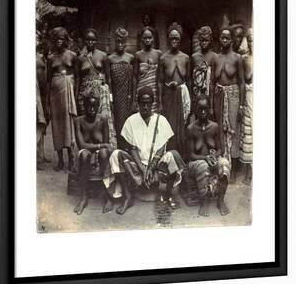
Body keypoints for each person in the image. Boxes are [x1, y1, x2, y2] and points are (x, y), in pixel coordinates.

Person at [105, 87, 186, 215]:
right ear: (138, 103)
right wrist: (143, 169)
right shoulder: (131, 120)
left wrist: (152, 167)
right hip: (136, 166)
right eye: (142, 103)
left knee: (173, 155)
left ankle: (167, 195)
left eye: (148, 103)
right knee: (115, 155)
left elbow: (161, 147)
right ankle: (128, 197)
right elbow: (132, 148)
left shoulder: (161, 120)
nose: (145, 106)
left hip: (157, 165)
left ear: (152, 103)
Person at [186, 95, 231, 217]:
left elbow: (220, 149)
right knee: (202, 166)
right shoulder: (191, 129)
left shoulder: (215, 127)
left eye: (205, 108)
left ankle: (220, 201)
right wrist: (205, 158)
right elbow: (190, 155)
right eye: (200, 109)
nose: (203, 112)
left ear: (209, 109)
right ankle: (204, 202)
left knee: (225, 164)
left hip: (212, 159)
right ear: (196, 110)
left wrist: (214, 157)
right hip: (196, 162)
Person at [211, 27, 244, 183]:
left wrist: (242, 106)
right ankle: (222, 168)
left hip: (233, 95)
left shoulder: (237, 58)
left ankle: (234, 170)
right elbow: (212, 83)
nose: (224, 40)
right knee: (219, 130)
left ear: (231, 40)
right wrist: (211, 104)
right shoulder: (216, 58)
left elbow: (242, 83)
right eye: (222, 37)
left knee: (233, 130)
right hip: (218, 95)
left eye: (227, 38)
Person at [73, 88, 112, 215]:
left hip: (100, 153)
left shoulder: (103, 120)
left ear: (98, 105)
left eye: (94, 106)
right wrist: (100, 145)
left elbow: (106, 147)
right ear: (84, 105)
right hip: (85, 153)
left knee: (104, 153)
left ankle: (108, 196)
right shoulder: (78, 121)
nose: (92, 109)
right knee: (84, 154)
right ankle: (83, 197)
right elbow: (81, 145)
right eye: (89, 106)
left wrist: (100, 148)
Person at [75, 28, 116, 148]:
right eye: (88, 40)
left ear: (96, 41)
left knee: (99, 122)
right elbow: (78, 79)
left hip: (99, 93)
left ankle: (101, 152)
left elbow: (108, 78)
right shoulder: (80, 58)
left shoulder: (103, 56)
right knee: (86, 122)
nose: (90, 42)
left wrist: (110, 97)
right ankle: (86, 153)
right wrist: (76, 96)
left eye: (93, 40)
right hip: (84, 92)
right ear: (84, 41)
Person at [46, 27, 77, 172]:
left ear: (66, 40)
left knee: (68, 125)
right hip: (55, 94)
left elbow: (76, 77)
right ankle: (60, 160)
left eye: (62, 39)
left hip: (68, 94)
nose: (59, 41)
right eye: (57, 39)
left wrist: (75, 95)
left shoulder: (72, 55)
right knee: (57, 126)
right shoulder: (51, 57)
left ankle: (71, 159)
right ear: (54, 40)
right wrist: (47, 101)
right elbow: (48, 79)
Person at [158, 23, 191, 157]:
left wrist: (190, 102)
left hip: (182, 95)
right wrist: (160, 102)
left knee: (182, 129)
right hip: (168, 96)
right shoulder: (163, 58)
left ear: (180, 39)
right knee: (169, 127)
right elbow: (159, 81)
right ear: (168, 39)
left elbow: (189, 81)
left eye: (176, 38)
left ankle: (181, 158)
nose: (174, 41)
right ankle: (168, 158)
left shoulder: (186, 58)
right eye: (171, 38)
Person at [109, 28, 135, 150]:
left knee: (128, 122)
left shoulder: (130, 58)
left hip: (128, 95)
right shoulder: (110, 59)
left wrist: (133, 97)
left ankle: (127, 149)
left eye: (122, 42)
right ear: (115, 41)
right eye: (118, 41)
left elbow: (134, 79)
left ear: (126, 42)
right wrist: (110, 97)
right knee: (117, 122)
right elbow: (109, 80)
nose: (120, 44)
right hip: (116, 94)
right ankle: (118, 148)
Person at [134, 27, 162, 112]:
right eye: (145, 38)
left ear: (153, 38)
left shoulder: (158, 54)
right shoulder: (138, 55)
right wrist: (134, 99)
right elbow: (135, 77)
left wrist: (160, 101)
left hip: (154, 91)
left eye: (149, 38)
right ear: (141, 39)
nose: (147, 40)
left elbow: (160, 79)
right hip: (141, 89)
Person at [190, 26, 216, 110]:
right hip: (197, 94)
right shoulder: (194, 57)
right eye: (202, 40)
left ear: (210, 40)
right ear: (199, 41)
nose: (204, 43)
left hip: (211, 94)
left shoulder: (214, 56)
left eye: (206, 40)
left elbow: (214, 80)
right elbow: (190, 79)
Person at [239, 28, 253, 184]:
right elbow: (245, 79)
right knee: (248, 132)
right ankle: (248, 171)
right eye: (249, 40)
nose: (252, 43)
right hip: (250, 95)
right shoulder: (244, 58)